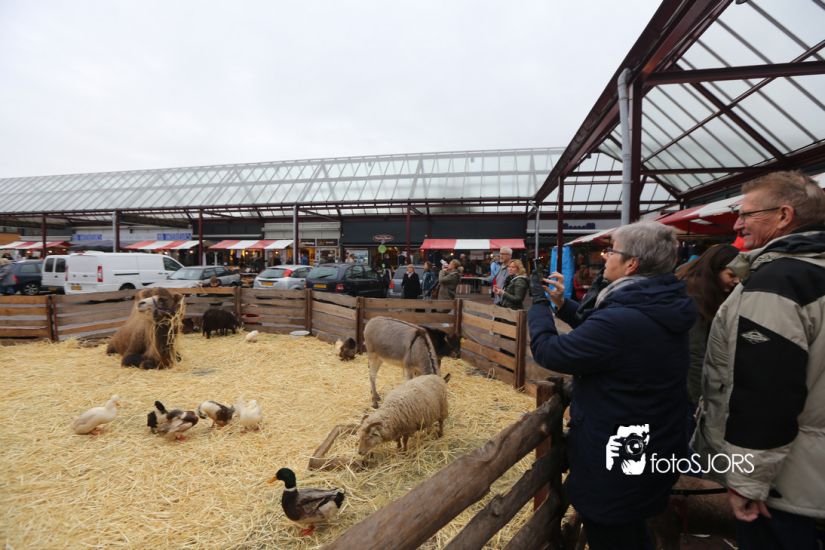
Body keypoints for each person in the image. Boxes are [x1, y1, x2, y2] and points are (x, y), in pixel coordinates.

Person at [528, 221, 696, 549]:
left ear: (631, 263)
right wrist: (562, 304)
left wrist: (537, 304)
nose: (605, 257)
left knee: (613, 535)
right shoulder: (661, 303)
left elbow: (549, 351)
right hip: (651, 445)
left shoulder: (623, 318)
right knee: (633, 532)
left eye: (611, 251)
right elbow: (608, 336)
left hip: (616, 465)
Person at [693, 171, 825, 549]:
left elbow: (766, 390)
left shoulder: (777, 282)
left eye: (747, 214)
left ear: (784, 216)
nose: (738, 224)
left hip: (788, 487)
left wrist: (747, 481)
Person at [675, 244, 740, 413]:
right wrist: (700, 400)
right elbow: (695, 353)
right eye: (731, 275)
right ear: (714, 271)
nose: (737, 281)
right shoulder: (694, 298)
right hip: (688, 392)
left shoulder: (700, 290)